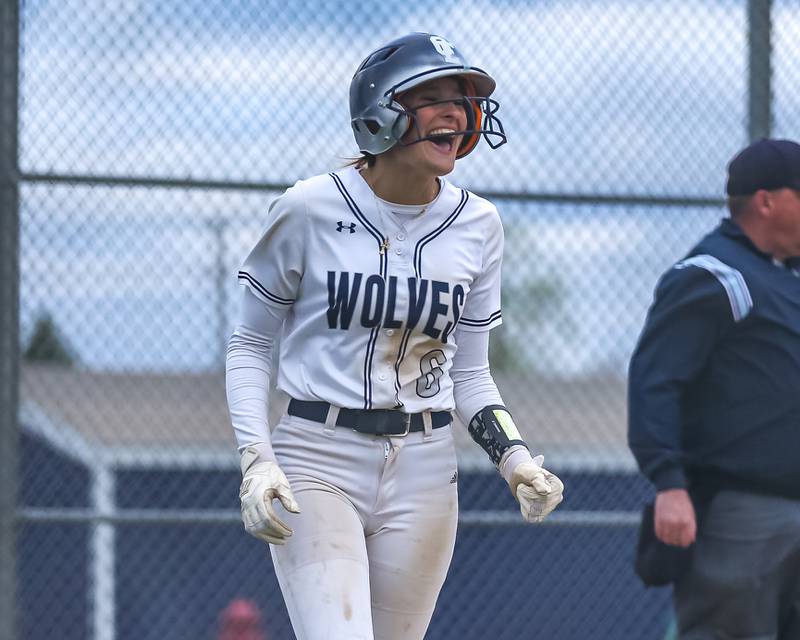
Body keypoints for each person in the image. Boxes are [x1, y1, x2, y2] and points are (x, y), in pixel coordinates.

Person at [225, 32, 564, 640]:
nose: (456, 111)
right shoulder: (308, 208)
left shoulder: (480, 225)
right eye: (431, 95)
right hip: (317, 455)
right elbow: (250, 344)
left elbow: (470, 374)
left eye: (463, 98)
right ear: (379, 113)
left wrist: (514, 458)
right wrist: (257, 459)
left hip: (426, 468)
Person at [628, 138, 800, 639]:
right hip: (739, 514)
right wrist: (670, 484)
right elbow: (655, 382)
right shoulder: (715, 275)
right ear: (767, 201)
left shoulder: (787, 278)